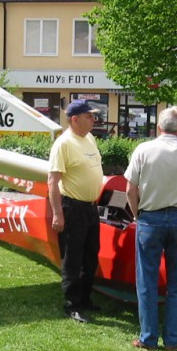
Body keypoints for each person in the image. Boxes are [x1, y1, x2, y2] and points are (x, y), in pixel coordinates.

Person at [124, 106, 177, 350]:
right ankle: (172, 339)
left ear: (158, 127)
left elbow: (131, 189)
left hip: (150, 218)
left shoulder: (143, 149)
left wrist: (138, 214)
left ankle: (148, 337)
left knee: (147, 281)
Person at [48, 99, 104, 324]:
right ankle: (72, 305)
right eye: (89, 116)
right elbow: (53, 181)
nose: (93, 119)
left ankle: (85, 298)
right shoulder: (63, 144)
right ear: (75, 119)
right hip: (73, 207)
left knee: (91, 255)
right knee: (73, 257)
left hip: (91, 207)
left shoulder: (89, 138)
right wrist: (57, 213)